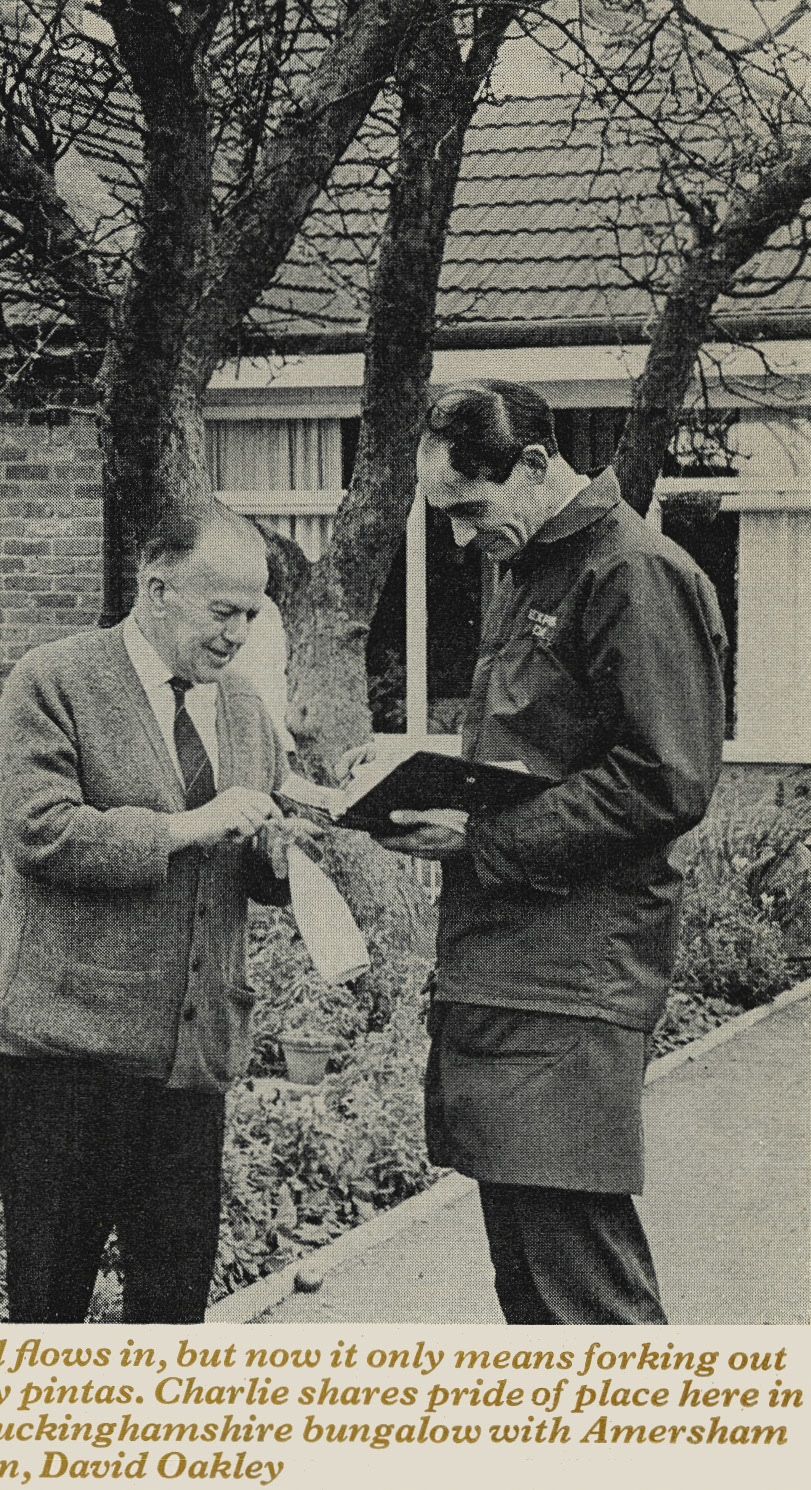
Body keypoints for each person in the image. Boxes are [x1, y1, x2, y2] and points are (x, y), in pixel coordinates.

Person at [371, 380, 727, 1324]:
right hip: (509, 973)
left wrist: (481, 839)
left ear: (534, 465)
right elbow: (549, 752)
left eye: (468, 510)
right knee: (530, 1291)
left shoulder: (632, 573)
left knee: (586, 1299)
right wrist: (426, 775)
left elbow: (668, 777)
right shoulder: (531, 565)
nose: (456, 539)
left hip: (570, 984)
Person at [0, 504, 295, 1324]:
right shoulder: (54, 680)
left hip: (188, 1065)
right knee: (48, 1306)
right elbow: (37, 832)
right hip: (62, 1061)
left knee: (172, 1308)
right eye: (221, 610)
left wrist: (288, 846)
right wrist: (188, 826)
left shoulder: (245, 709)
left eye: (251, 614)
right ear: (156, 590)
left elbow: (255, 856)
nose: (237, 633)